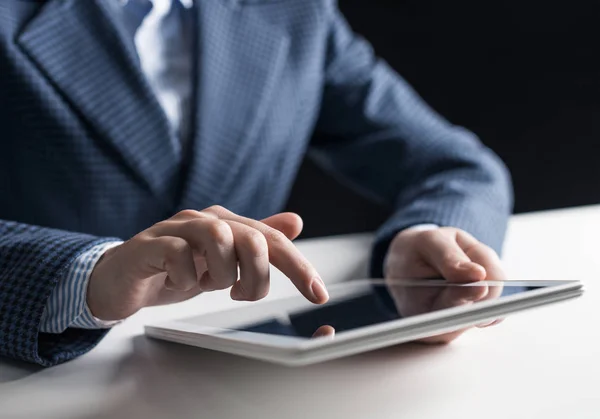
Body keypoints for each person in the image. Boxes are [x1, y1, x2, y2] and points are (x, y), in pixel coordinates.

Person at [0, 0, 512, 367]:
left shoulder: (295, 11)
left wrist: (425, 234)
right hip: (48, 377)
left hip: (247, 372)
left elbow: (456, 165)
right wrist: (90, 276)